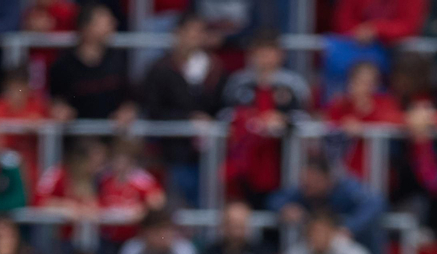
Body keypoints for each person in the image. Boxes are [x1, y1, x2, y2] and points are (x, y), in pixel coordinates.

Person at [139, 13, 224, 206]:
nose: (196, 37)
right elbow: (153, 112)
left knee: (210, 202)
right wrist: (188, 119)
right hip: (174, 153)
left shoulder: (215, 68)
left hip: (210, 154)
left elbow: (222, 107)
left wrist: (209, 121)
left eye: (200, 32)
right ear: (178, 33)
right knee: (179, 205)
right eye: (191, 32)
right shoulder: (159, 69)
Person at [220, 31, 311, 209]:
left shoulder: (294, 84)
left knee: (279, 207)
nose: (265, 58)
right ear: (251, 55)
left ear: (280, 55)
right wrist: (249, 119)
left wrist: (284, 121)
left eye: (269, 52)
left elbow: (306, 119)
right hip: (245, 160)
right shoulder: (238, 83)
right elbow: (223, 116)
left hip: (282, 160)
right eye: (260, 53)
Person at [270, 157, 385, 251]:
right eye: (305, 182)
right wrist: (284, 208)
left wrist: (350, 227)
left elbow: (375, 202)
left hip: (354, 246)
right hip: (315, 253)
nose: (308, 186)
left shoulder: (346, 189)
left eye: (314, 182)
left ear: (328, 179)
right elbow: (275, 199)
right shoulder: (304, 191)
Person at [48, 5, 133, 124]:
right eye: (104, 21)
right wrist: (60, 109)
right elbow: (55, 99)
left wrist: (127, 111)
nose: (113, 24)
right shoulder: (64, 64)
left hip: (114, 132)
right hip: (78, 135)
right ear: (86, 27)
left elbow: (129, 98)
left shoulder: (117, 59)